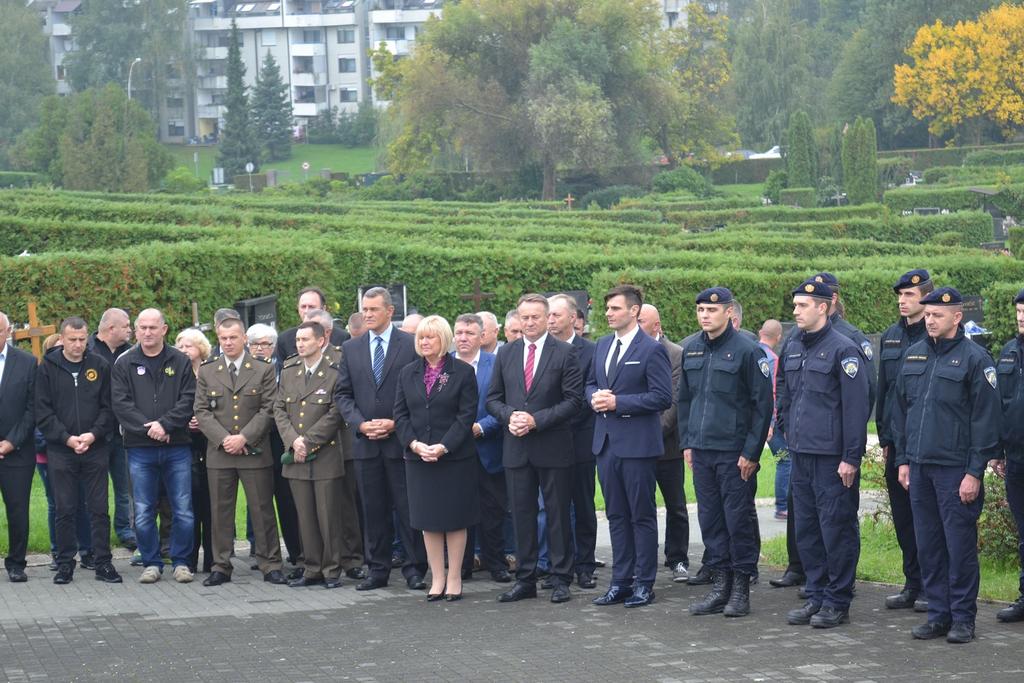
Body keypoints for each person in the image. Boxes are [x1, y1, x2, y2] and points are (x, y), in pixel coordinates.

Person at [893, 287, 1000, 644]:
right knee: (929, 546)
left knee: (959, 547)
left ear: (957, 317)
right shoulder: (914, 355)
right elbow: (901, 411)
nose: (930, 320)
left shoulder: (975, 359)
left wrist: (974, 471)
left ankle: (963, 619)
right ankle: (938, 615)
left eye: (937, 315)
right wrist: (904, 460)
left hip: (955, 470)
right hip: (919, 467)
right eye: (927, 314)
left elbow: (986, 420)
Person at [776, 279, 869, 629]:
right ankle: (815, 595)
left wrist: (851, 457)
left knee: (836, 530)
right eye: (795, 305)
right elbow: (785, 391)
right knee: (808, 530)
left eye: (802, 305)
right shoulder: (793, 345)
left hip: (832, 458)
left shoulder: (844, 350)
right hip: (801, 453)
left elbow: (856, 409)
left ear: (824, 307)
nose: (795, 311)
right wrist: (786, 425)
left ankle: (837, 601)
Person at [677, 289, 773, 617]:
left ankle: (741, 589)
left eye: (711, 310)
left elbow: (762, 406)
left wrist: (752, 452)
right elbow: (685, 401)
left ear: (729, 312)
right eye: (700, 310)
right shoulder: (692, 349)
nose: (705, 315)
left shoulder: (748, 351)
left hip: (734, 453)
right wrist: (688, 442)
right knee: (711, 520)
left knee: (738, 521)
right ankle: (720, 587)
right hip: (702, 451)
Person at [487, 293, 583, 604]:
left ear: (547, 318)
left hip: (553, 446)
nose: (529, 323)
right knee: (522, 514)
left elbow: (574, 401)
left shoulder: (565, 352)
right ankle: (525, 579)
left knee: (557, 514)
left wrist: (535, 420)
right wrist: (511, 416)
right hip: (516, 447)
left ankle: (561, 577)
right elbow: (493, 399)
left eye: (535, 317)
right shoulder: (507, 353)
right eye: (524, 317)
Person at [335, 287, 428, 591]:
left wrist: (396, 424)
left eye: (374, 309)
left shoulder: (410, 344)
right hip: (366, 444)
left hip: (400, 443)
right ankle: (378, 569)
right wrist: (361, 425)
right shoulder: (351, 348)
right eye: (365, 309)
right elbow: (343, 394)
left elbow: (421, 393)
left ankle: (415, 568)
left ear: (390, 311)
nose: (368, 314)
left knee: (408, 507)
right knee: (373, 510)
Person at [587, 285, 673, 609]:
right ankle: (620, 582)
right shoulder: (602, 345)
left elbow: (662, 397)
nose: (608, 313)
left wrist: (618, 402)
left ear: (634, 310)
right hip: (606, 444)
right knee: (616, 515)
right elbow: (590, 383)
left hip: (637, 446)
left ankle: (644, 583)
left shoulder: (651, 349)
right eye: (608, 308)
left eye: (615, 308)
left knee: (641, 515)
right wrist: (593, 397)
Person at [194, 318, 286, 587]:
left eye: (233, 337)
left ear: (244, 338)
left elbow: (269, 408)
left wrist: (244, 437)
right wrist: (225, 439)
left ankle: (271, 564)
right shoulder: (208, 370)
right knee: (220, 512)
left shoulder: (262, 369)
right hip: (220, 452)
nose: (228, 343)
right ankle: (220, 566)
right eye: (223, 338)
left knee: (262, 510)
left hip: (254, 450)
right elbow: (201, 411)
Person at [395, 315, 480, 601]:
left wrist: (443, 447)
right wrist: (415, 444)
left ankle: (454, 577)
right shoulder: (407, 373)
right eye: (420, 337)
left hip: (454, 459)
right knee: (428, 520)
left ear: (443, 339)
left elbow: (466, 416)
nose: (423, 341)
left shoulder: (462, 372)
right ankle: (437, 577)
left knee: (454, 519)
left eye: (429, 336)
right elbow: (400, 415)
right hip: (419, 459)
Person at [111, 309, 197, 584]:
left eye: (153, 327)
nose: (147, 332)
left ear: (164, 329)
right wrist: (152, 429)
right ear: (136, 330)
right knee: (144, 510)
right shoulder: (125, 363)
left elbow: (188, 399)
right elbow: (121, 404)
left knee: (183, 508)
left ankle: (181, 562)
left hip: (176, 446)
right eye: (142, 327)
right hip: (139, 448)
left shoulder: (180, 361)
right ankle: (151, 563)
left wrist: (166, 425)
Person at [35, 317, 122, 585]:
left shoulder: (100, 365)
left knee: (98, 508)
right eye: (72, 340)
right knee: (65, 508)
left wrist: (93, 434)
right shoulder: (47, 367)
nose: (77, 345)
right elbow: (42, 410)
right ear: (62, 339)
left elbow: (109, 407)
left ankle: (103, 562)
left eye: (82, 339)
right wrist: (66, 438)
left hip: (95, 448)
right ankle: (65, 565)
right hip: (61, 450)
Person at [275, 321, 348, 588]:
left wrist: (308, 441)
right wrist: (293, 441)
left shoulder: (334, 371)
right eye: (298, 340)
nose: (300, 344)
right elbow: (279, 409)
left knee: (328, 517)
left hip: (325, 455)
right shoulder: (289, 370)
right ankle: (312, 568)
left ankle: (332, 570)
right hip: (296, 455)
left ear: (321, 341)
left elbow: (336, 412)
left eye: (305, 339)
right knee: (304, 517)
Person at [876, 269, 933, 612]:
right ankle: (912, 582)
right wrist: (885, 437)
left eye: (909, 295)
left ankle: (931, 585)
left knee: (926, 518)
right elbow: (884, 391)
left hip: (925, 441)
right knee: (903, 517)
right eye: (900, 295)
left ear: (926, 297)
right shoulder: (891, 336)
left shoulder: (934, 335)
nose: (902, 300)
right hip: (896, 443)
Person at [306, 308, 365, 580]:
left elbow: (347, 398)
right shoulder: (299, 362)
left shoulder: (342, 358)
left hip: (342, 442)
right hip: (312, 444)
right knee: (318, 507)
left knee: (345, 505)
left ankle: (352, 559)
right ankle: (320, 560)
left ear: (327, 333)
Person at [452, 314, 512, 583]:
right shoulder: (443, 365)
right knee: (458, 511)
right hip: (453, 452)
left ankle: (496, 563)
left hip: (488, 448)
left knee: (493, 511)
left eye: (470, 333)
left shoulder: (496, 363)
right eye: (459, 333)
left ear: (482, 336)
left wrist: (481, 427)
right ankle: (462, 566)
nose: (463, 338)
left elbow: (504, 402)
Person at [548, 294, 598, 589]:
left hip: (579, 438)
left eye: (556, 315)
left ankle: (585, 565)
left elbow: (587, 395)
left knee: (583, 505)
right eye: (548, 315)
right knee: (555, 507)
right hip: (547, 440)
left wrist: (553, 419)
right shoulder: (541, 350)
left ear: (573, 318)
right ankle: (559, 566)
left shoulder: (590, 351)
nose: (551, 320)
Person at [638, 303, 690, 583]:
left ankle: (677, 558)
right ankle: (642, 559)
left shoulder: (675, 354)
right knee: (639, 505)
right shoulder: (629, 350)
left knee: (675, 505)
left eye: (641, 321)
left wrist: (649, 433)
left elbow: (675, 401)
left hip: (666, 446)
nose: (636, 325)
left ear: (656, 325)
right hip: (635, 446)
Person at [247, 323, 303, 575]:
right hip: (255, 442)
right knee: (259, 501)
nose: (260, 349)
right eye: (255, 344)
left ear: (274, 346)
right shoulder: (243, 371)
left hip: (282, 441)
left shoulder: (288, 370)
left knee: (288, 499)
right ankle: (265, 554)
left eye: (266, 344)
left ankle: (298, 553)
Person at [88, 307, 135, 549]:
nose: (130, 330)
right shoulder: (87, 350)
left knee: (124, 486)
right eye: (126, 326)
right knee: (94, 489)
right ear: (110, 328)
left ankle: (125, 530)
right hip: (94, 432)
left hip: (123, 432)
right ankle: (95, 535)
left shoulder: (132, 353)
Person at [0, 311, 38, 582]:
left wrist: (11, 442)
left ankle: (16, 563)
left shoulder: (27, 363)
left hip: (18, 452)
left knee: (17, 511)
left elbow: (33, 408)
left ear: (8, 332)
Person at [994, 288, 1024, 624]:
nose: (1021, 317)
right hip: (1016, 458)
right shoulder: (1008, 353)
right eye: (1018, 311)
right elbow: (999, 405)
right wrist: (997, 451)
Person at [175, 328, 213, 575]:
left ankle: (212, 558)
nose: (184, 350)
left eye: (188, 346)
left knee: (210, 503)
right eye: (180, 346)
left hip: (210, 441)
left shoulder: (211, 372)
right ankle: (187, 558)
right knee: (187, 504)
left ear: (201, 348)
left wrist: (204, 420)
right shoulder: (174, 373)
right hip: (184, 441)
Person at [758, 319, 790, 520]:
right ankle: (783, 507)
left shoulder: (750, 353)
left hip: (751, 419)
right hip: (771, 421)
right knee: (785, 459)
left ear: (760, 332)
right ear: (778, 338)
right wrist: (770, 423)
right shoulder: (773, 359)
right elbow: (771, 392)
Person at [275, 287, 350, 368]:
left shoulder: (341, 337)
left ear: (323, 309)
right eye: (303, 306)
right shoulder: (285, 340)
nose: (306, 311)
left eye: (311, 307)